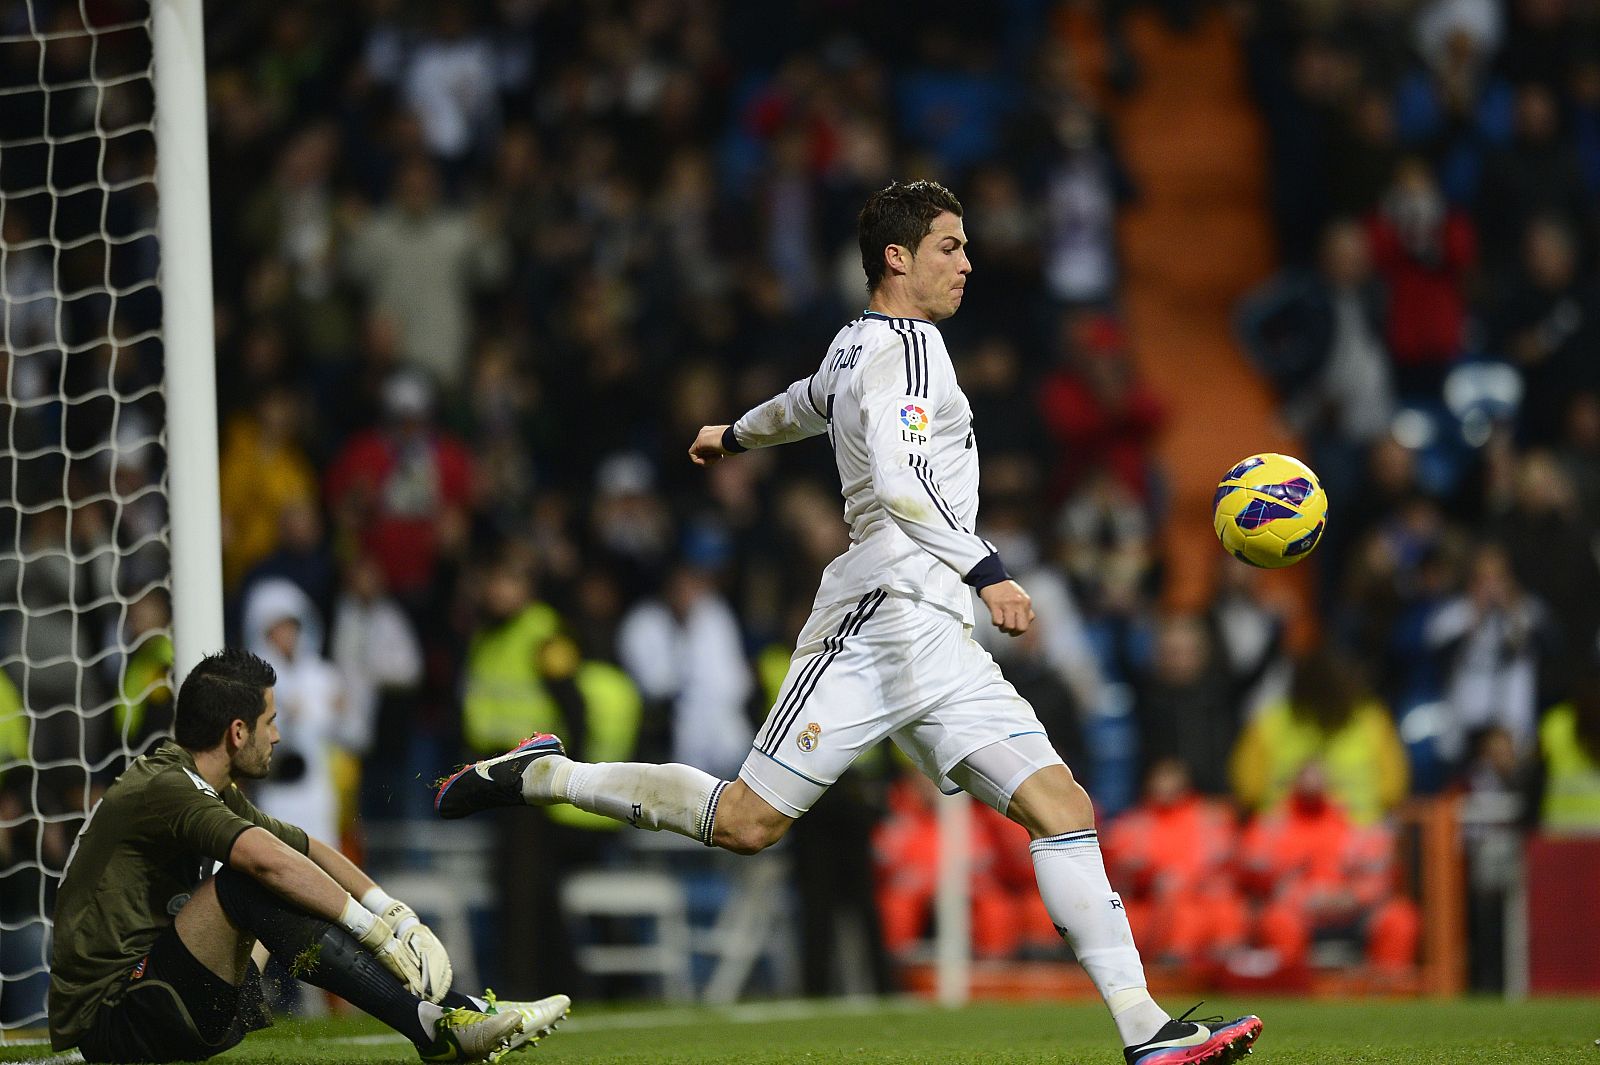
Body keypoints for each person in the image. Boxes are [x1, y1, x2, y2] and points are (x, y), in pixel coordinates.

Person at [436, 180, 1262, 1065]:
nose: (968, 263)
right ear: (897, 258)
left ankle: (1146, 1031)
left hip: (938, 636)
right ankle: (547, 774)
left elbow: (803, 401)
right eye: (950, 246)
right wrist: (988, 569)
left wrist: (733, 434)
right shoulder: (906, 352)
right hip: (878, 618)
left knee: (1061, 805)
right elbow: (901, 484)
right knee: (747, 822)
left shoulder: (858, 345)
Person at [47, 649, 567, 1064]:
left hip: (166, 995)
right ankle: (433, 1028)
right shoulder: (167, 787)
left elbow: (307, 847)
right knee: (253, 879)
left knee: (280, 868)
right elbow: (267, 863)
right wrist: (374, 934)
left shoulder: (201, 784)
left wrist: (393, 914)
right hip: (117, 1018)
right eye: (269, 722)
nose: (276, 735)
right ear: (238, 732)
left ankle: (458, 1012)